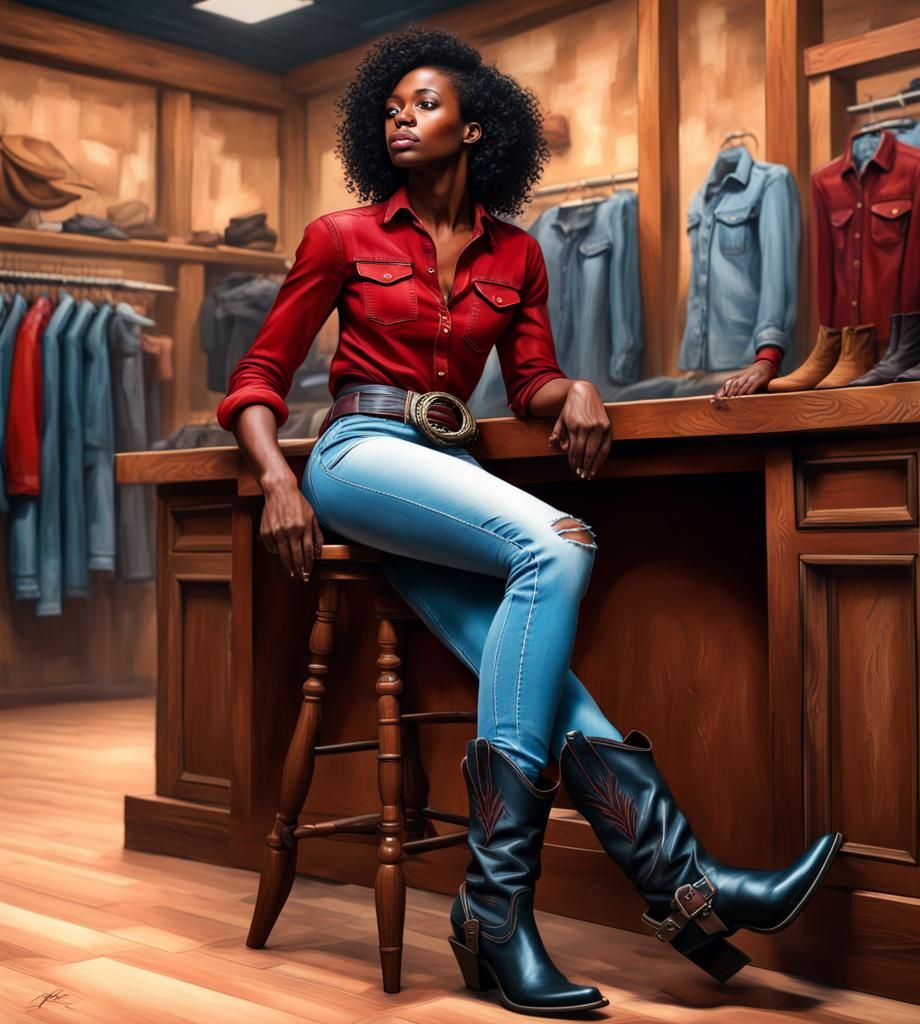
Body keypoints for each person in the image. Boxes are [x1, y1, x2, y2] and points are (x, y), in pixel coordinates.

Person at [216, 25, 843, 1017]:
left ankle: (634, 892)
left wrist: (575, 390)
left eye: (424, 104)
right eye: (391, 107)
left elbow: (533, 379)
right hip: (357, 458)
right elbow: (257, 376)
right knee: (558, 543)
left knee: (544, 682)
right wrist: (277, 481)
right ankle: (569, 902)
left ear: (476, 130)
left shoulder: (519, 254)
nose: (401, 118)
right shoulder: (340, 236)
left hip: (445, 476)